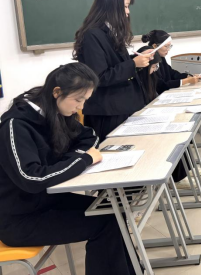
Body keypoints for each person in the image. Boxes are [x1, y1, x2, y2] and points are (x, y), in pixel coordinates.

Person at [0, 63, 136, 275]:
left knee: (113, 212)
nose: (80, 107)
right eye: (78, 100)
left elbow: (89, 136)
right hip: (19, 218)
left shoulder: (56, 112)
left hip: (47, 201)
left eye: (85, 100)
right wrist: (83, 161)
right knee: (104, 223)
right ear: (57, 92)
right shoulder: (15, 126)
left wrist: (74, 158)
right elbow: (32, 179)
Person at [73, 0, 153, 142]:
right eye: (125, 6)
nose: (128, 12)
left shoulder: (111, 32)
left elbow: (115, 65)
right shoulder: (92, 35)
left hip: (122, 107)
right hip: (108, 112)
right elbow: (99, 77)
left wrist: (137, 60)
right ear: (112, 6)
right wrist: (133, 64)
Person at [134, 46, 191, 190]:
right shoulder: (136, 81)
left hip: (153, 116)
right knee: (172, 136)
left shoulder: (151, 76)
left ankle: (186, 171)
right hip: (143, 122)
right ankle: (178, 177)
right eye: (153, 67)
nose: (155, 70)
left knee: (181, 130)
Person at [141, 30, 201, 94]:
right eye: (166, 46)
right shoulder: (149, 61)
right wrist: (187, 81)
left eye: (170, 46)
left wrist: (188, 76)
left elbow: (172, 73)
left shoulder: (161, 58)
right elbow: (161, 86)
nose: (168, 49)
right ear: (155, 46)